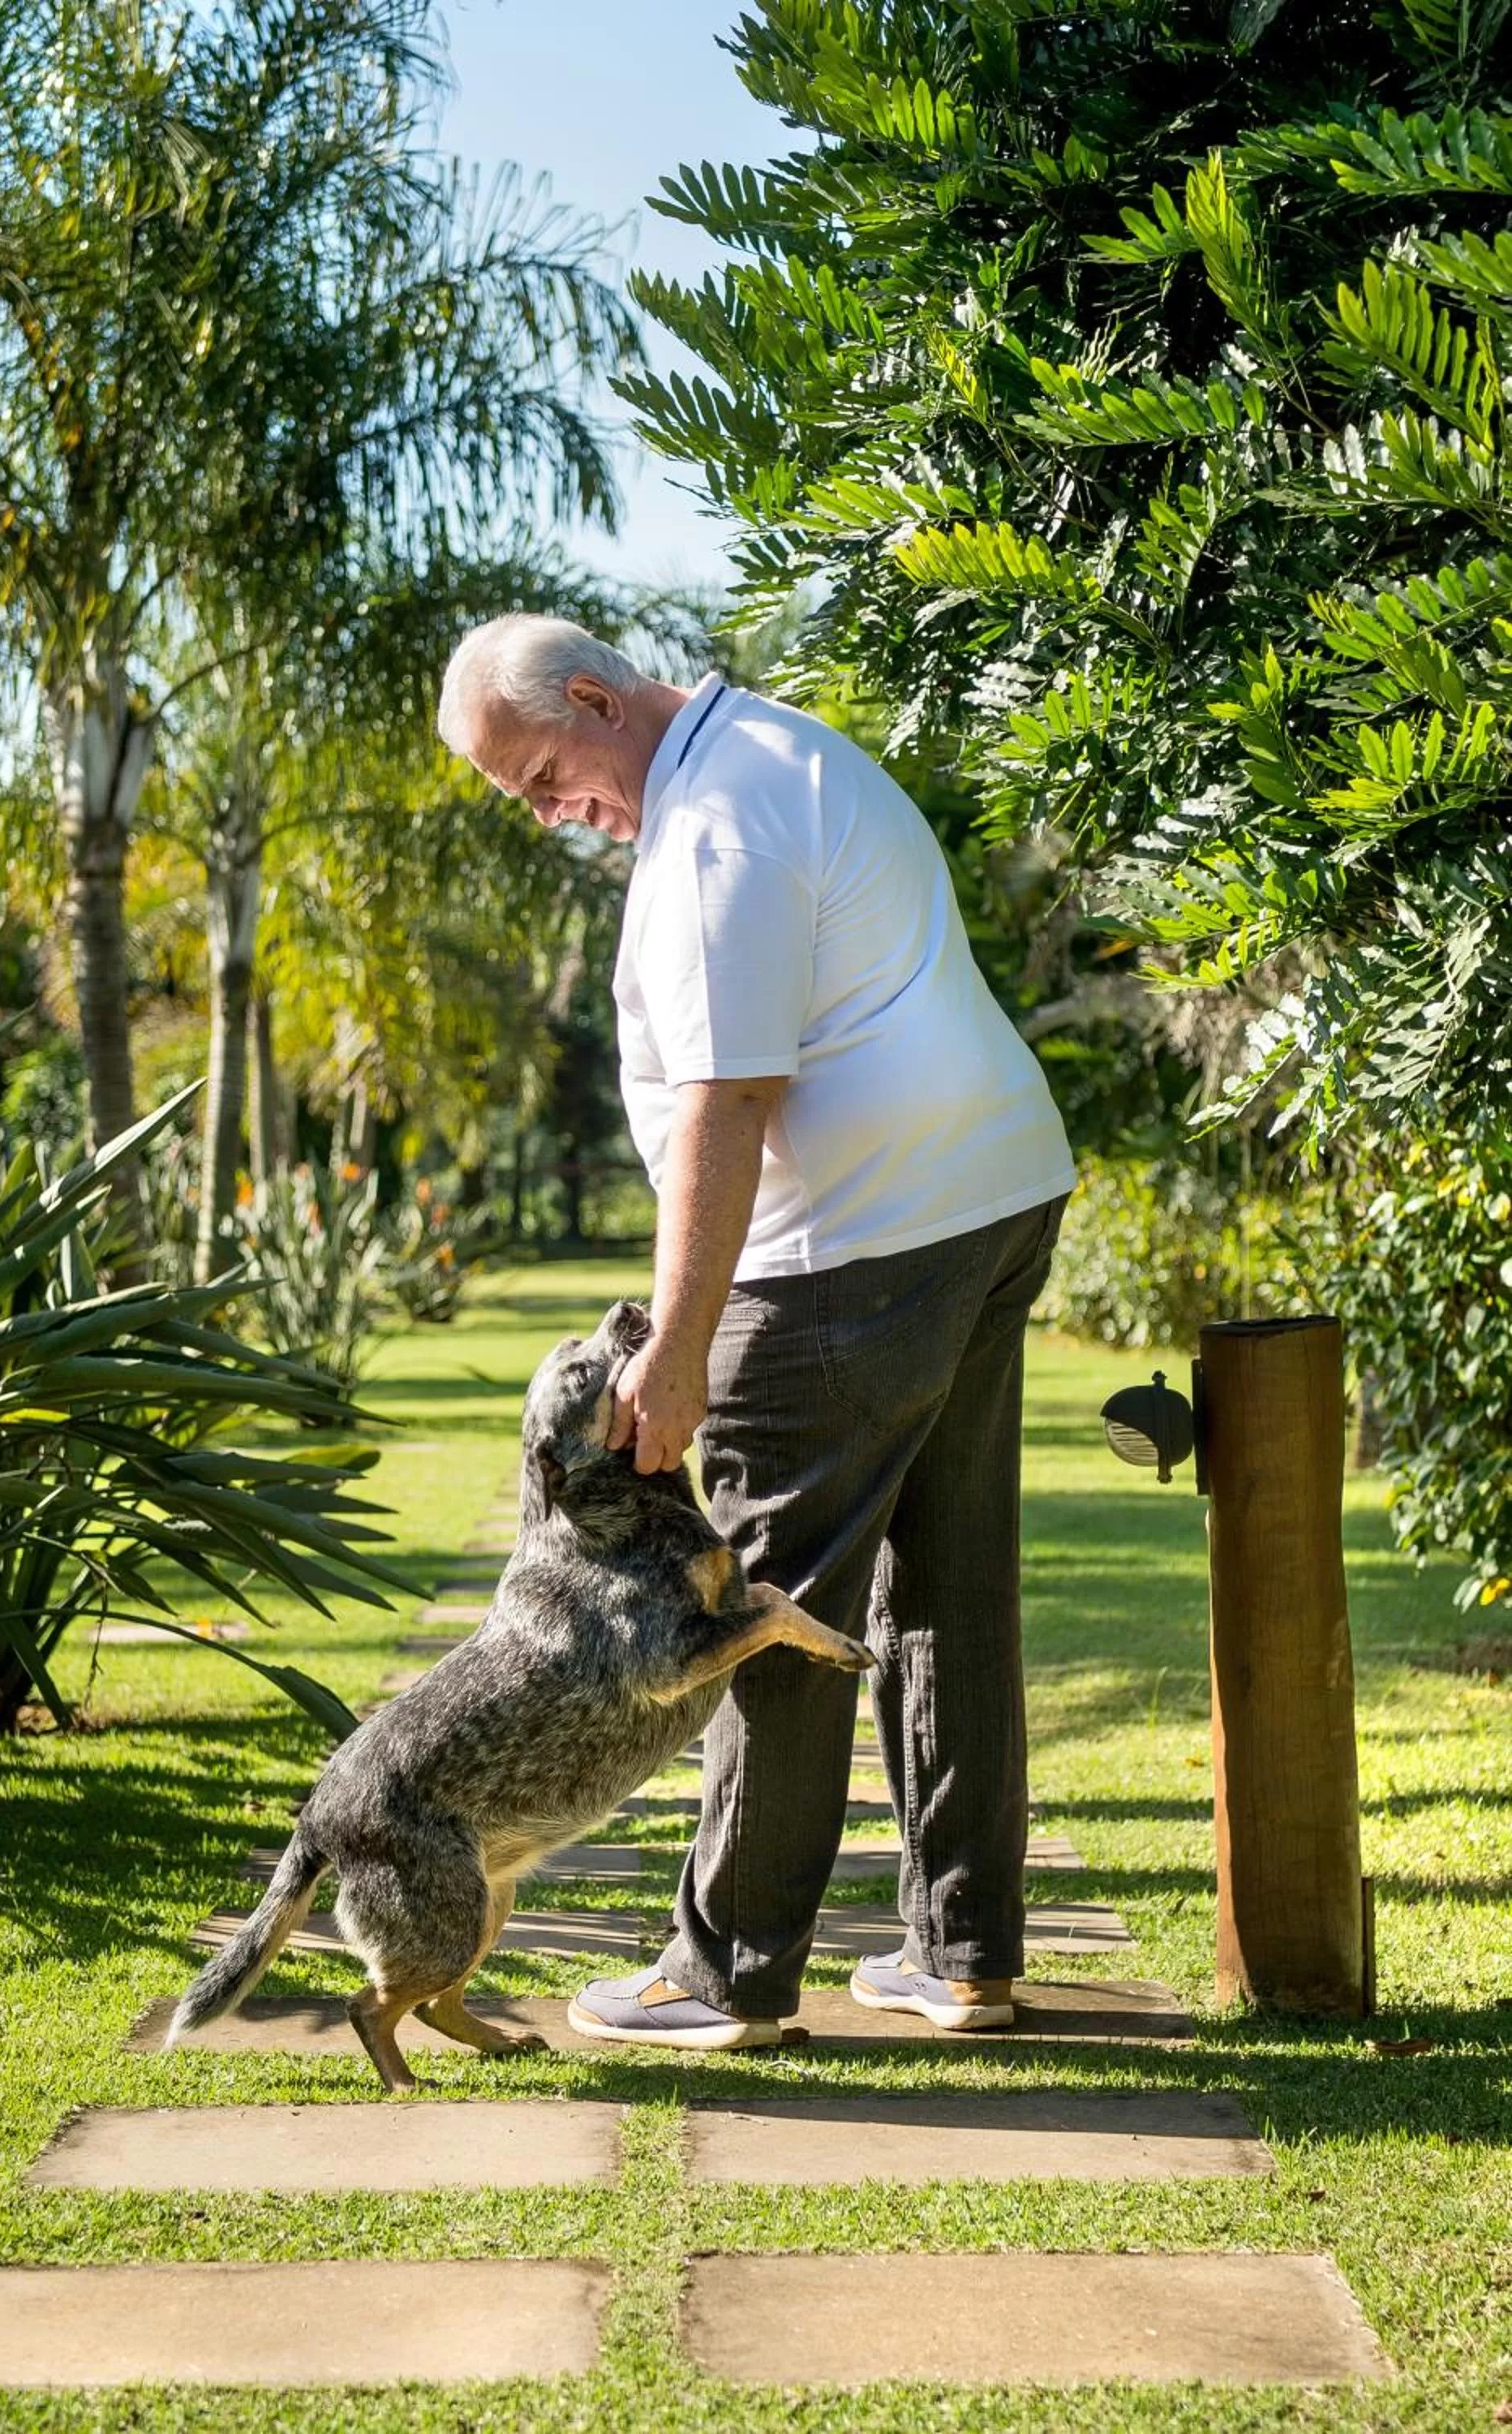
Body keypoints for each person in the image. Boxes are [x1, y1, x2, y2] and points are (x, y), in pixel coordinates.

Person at [436, 614, 1075, 2048]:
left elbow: (724, 1098)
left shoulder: (716, 823)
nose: (553, 816)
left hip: (850, 1252)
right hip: (985, 1207)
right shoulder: (784, 755)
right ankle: (963, 1954)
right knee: (951, 1590)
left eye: (544, 777)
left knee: (762, 1603)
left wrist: (674, 1341)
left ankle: (728, 1971)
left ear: (598, 699)